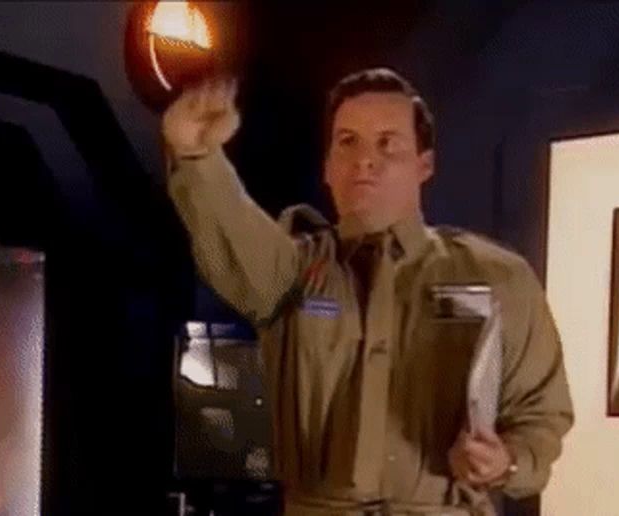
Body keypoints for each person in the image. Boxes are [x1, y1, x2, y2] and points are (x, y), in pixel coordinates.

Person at [163, 68, 574, 516]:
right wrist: (196, 154)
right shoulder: (293, 273)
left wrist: (505, 461)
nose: (364, 160)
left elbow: (539, 412)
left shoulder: (497, 277)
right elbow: (230, 231)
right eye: (348, 142)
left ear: (425, 165)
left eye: (387, 144)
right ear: (327, 167)